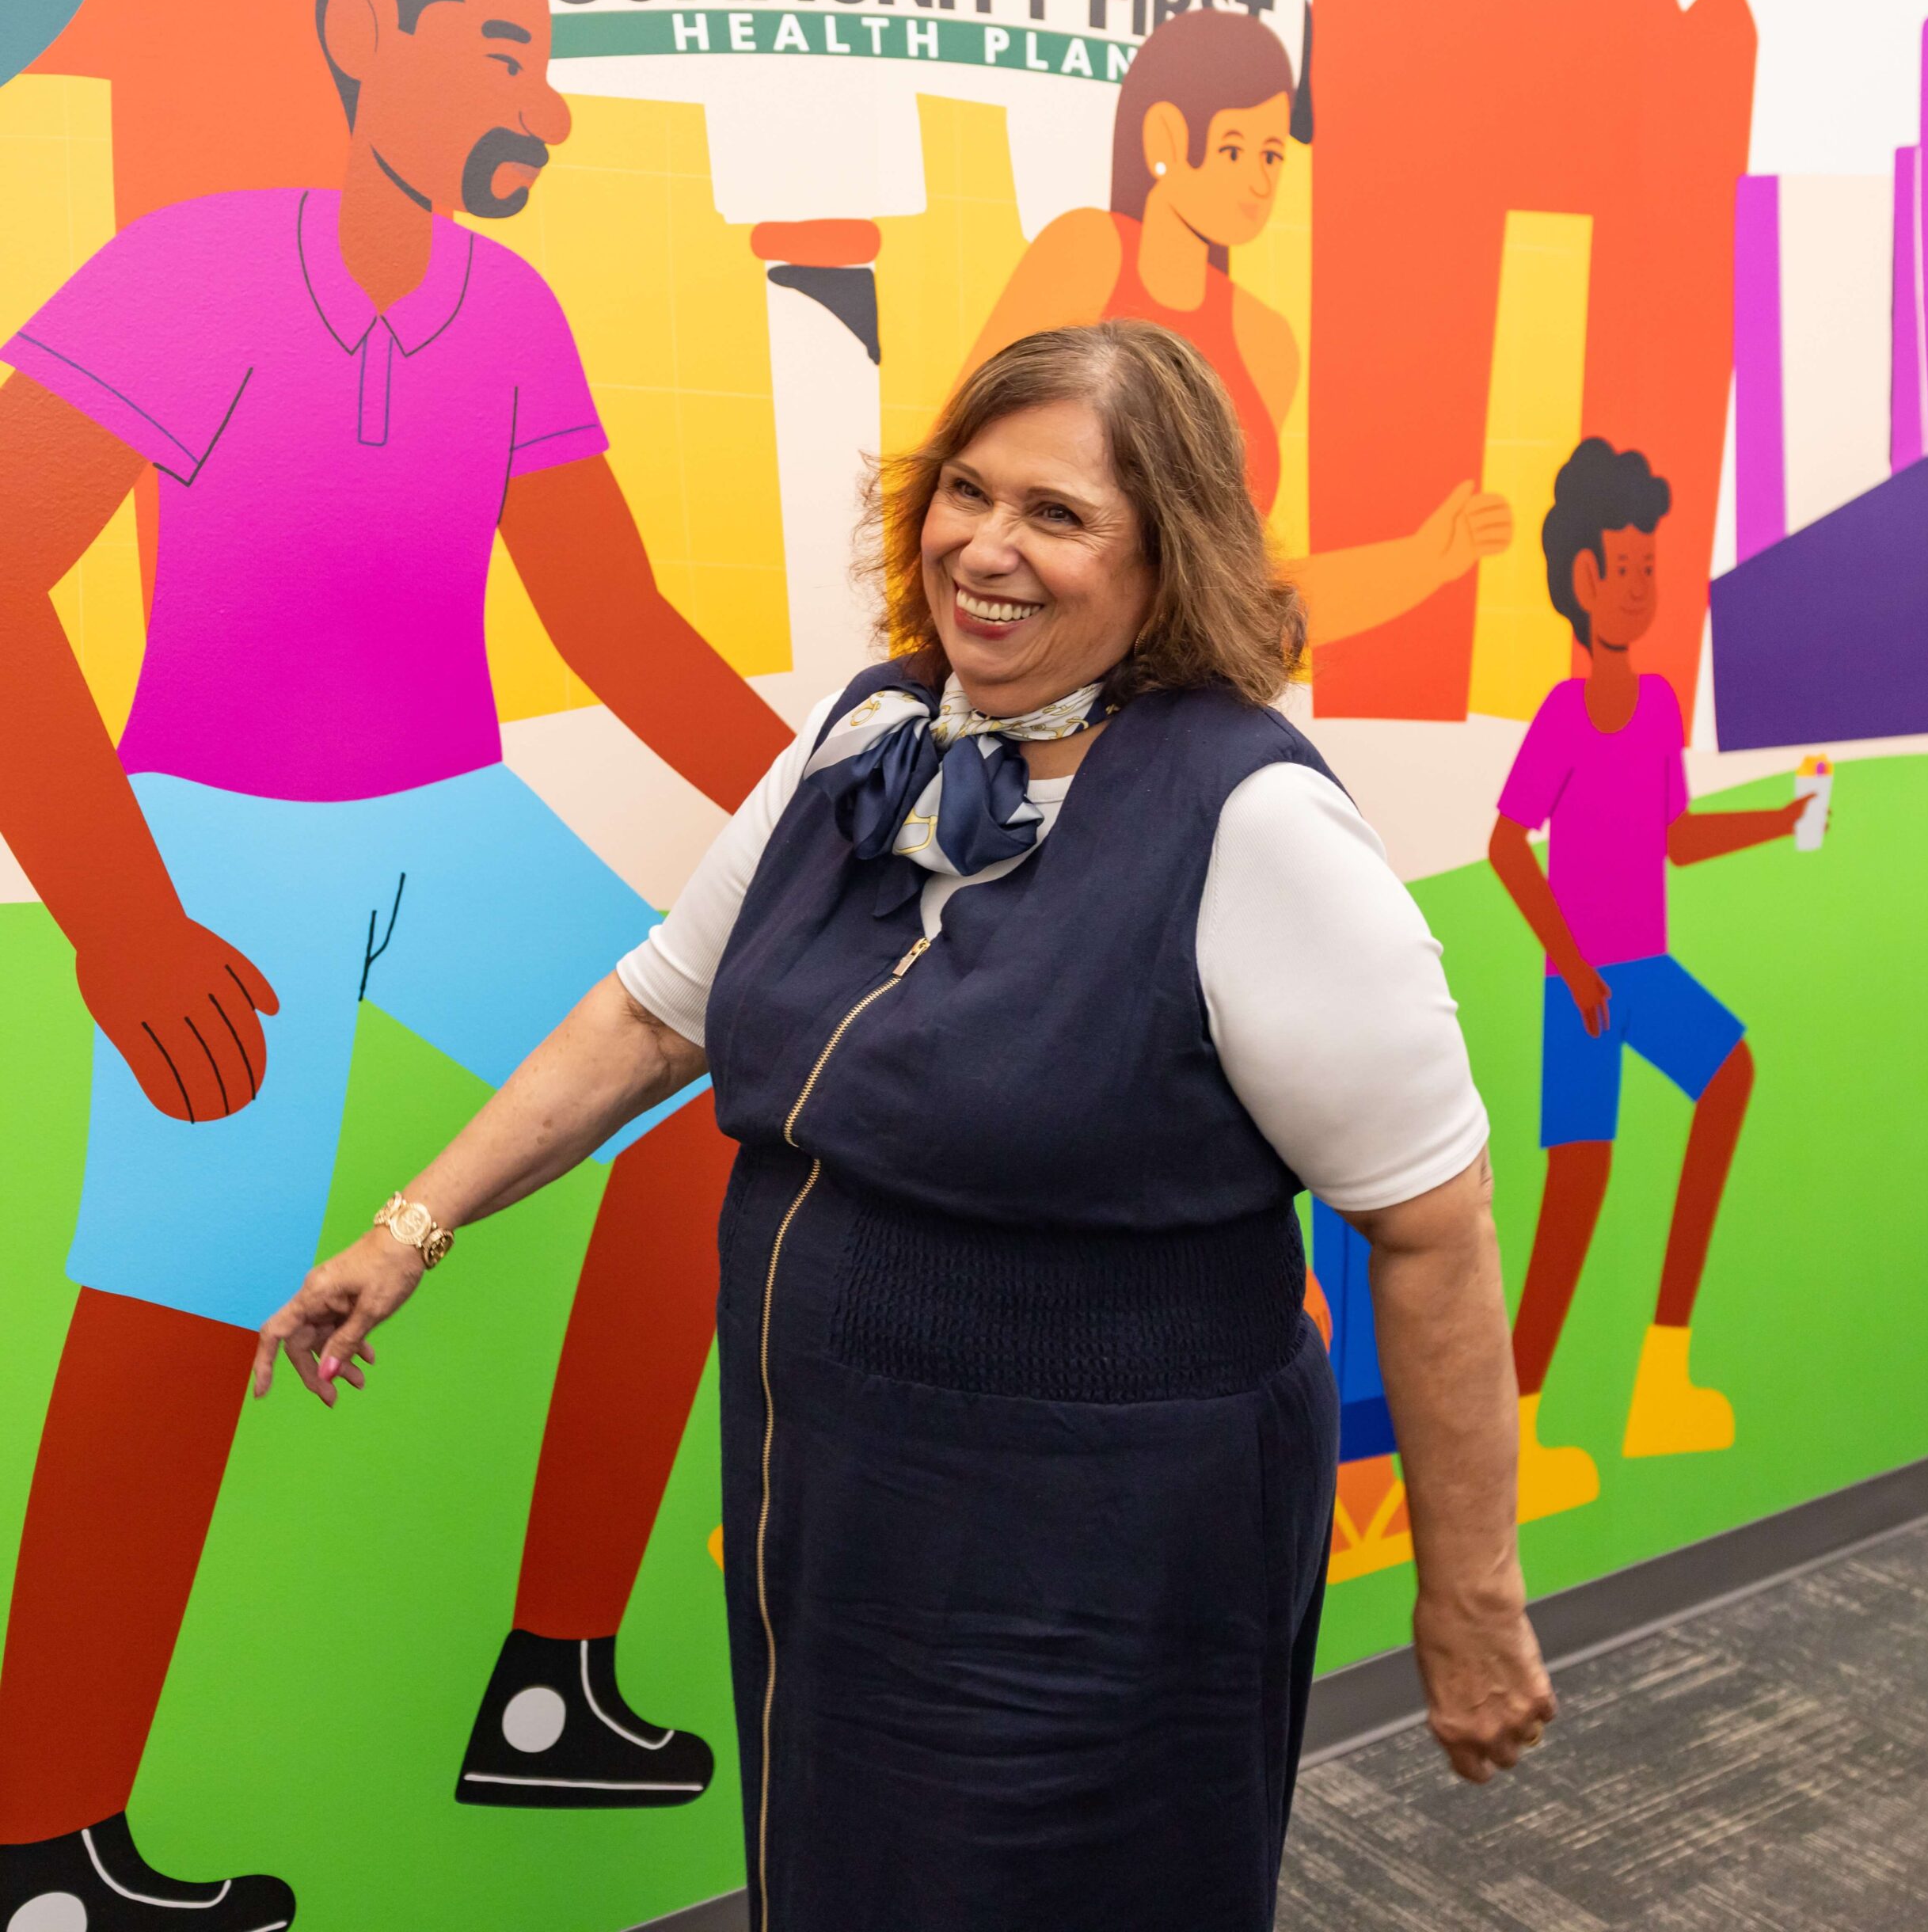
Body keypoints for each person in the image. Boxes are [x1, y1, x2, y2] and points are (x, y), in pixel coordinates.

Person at [257, 321, 1554, 1931]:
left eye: (1057, 514)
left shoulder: (1253, 821)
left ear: (1172, 552)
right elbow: (652, 1011)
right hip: (841, 1506)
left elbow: (1432, 1225)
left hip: (1107, 1546)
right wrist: (409, 1228)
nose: (982, 548)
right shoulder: (869, 737)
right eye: (963, 490)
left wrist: (1469, 1599)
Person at [0, 0, 786, 1920]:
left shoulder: (509, 311)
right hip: (225, 839)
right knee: (184, 1290)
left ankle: (547, 1686)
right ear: (368, 28)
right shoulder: (188, 271)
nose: (539, 98)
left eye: (545, 62)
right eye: (503, 49)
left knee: (701, 1102)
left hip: (453, 816)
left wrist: (830, 803)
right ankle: (38, 1845)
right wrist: (121, 913)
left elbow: (608, 620)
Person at [963, 6, 1514, 645]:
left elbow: (1235, 593)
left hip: (1171, 696)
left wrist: (1423, 560)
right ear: (1167, 139)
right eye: (1233, 148)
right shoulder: (1088, 251)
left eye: (1272, 155)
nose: (1257, 181)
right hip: (1034, 665)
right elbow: (965, 478)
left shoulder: (1266, 341)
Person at [1489, 439, 1812, 1523]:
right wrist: (1572, 968)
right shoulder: (1564, 719)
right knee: (1575, 1205)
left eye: (1650, 569)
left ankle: (1660, 1375)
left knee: (1729, 1077)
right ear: (1583, 583)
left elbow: (1673, 839)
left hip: (1647, 969)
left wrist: (1777, 819)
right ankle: (1523, 1428)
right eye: (1625, 568)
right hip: (1582, 987)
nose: (1642, 586)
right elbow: (1506, 845)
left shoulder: (1662, 705)